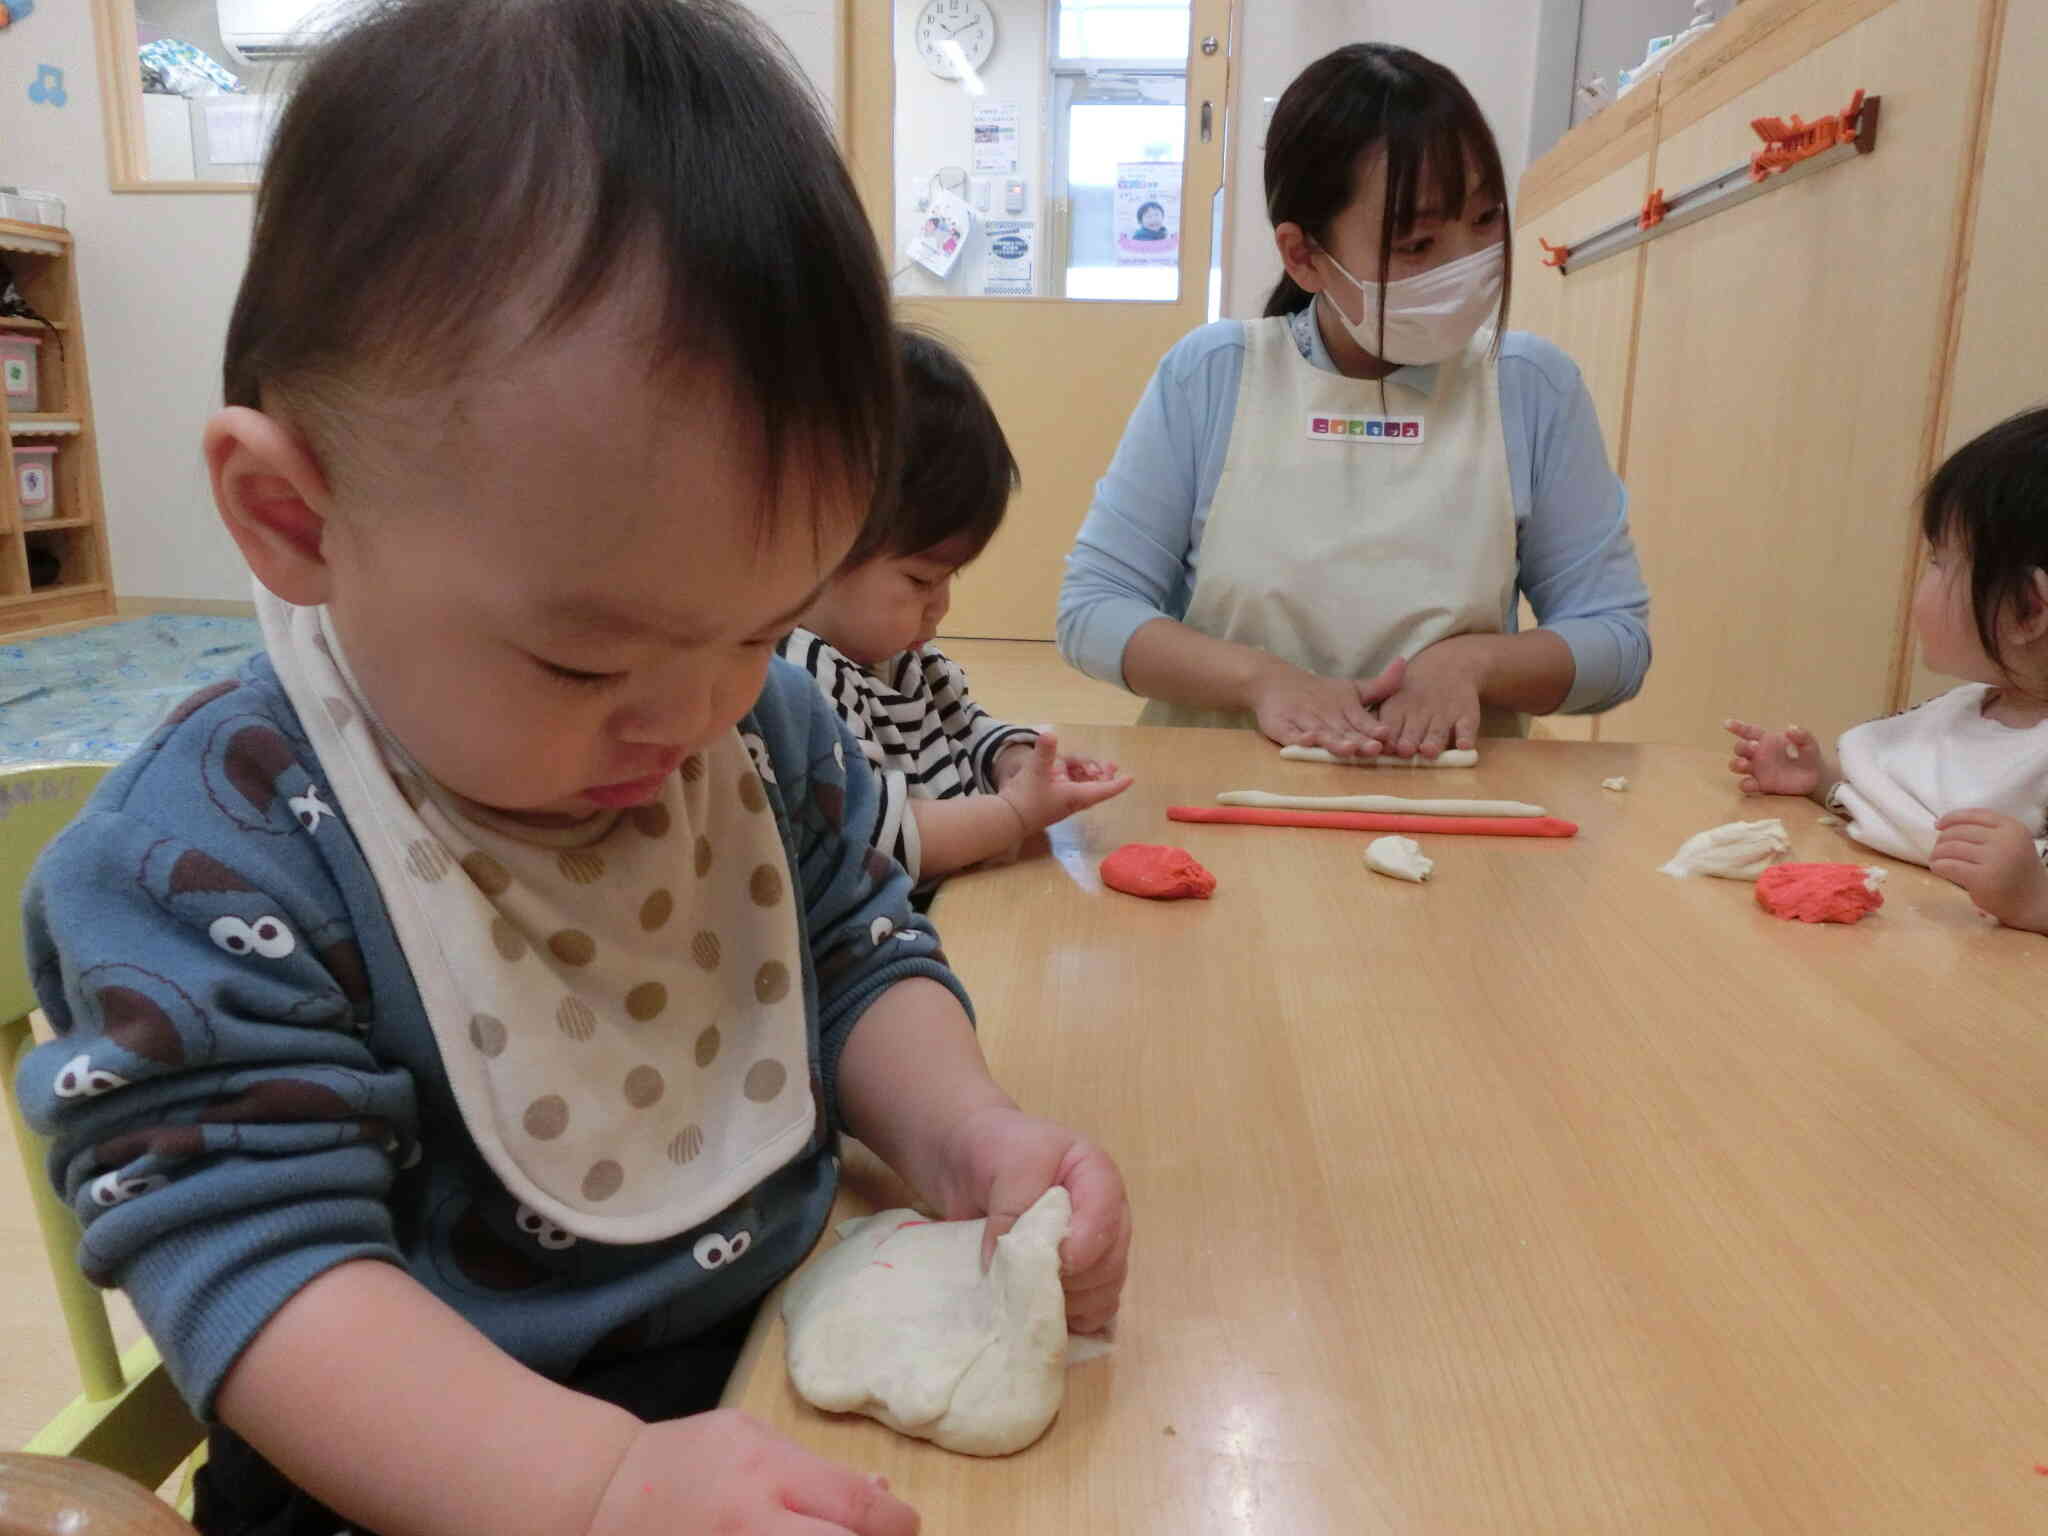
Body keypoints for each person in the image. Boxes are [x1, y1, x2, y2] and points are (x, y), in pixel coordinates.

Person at [13, 5, 1130, 1535]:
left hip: (761, 1397)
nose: (688, 721)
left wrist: (966, 1135)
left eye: (752, 627)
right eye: (588, 663)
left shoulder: (758, 728)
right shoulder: (210, 863)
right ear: (295, 520)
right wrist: (594, 1486)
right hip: (434, 1488)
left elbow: (859, 952)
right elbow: (260, 1276)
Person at [1059, 43, 1651, 760]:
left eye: (1487, 220)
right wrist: (1259, 681)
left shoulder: (1530, 387)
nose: (1464, 264)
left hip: (1452, 804)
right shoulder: (1212, 376)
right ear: (1304, 256)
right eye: (1418, 243)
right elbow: (1093, 612)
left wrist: (1472, 666)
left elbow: (1616, 639)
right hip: (1216, 789)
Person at [784, 328, 1132, 884]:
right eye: (921, 579)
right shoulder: (801, 677)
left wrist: (1017, 765)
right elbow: (875, 840)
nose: (940, 606)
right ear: (811, 544)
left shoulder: (903, 658)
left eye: (951, 577)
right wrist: (1014, 814)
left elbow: (965, 729)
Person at [1727, 407, 2048, 933]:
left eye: (1940, 562)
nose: (1921, 583)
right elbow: (1905, 812)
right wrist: (1822, 782)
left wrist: (2038, 901)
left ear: (2027, 609)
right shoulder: (1968, 708)